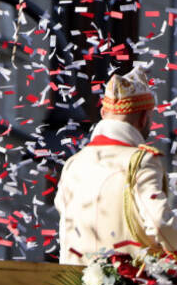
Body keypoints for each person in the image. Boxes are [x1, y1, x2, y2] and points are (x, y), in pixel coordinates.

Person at [55, 68, 177, 264]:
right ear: (144, 118)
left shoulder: (72, 164)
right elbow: (159, 222)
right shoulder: (140, 161)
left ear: (103, 113)